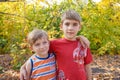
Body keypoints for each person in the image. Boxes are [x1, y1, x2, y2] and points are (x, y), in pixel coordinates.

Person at [20, 9, 93, 80]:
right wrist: (23, 66)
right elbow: (39, 52)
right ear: (61, 26)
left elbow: (87, 66)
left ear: (79, 27)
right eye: (67, 24)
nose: (70, 28)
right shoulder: (54, 44)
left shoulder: (83, 44)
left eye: (75, 24)